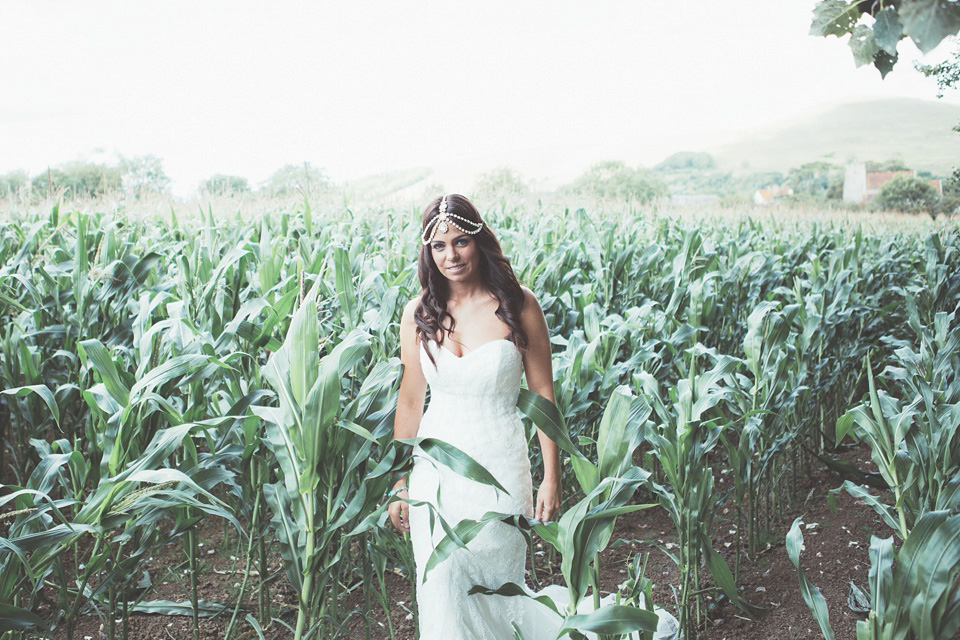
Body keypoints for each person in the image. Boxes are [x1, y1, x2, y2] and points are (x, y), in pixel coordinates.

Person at [387, 194, 678, 640]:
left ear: (479, 241)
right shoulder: (418, 313)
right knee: (440, 587)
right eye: (440, 246)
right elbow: (410, 400)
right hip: (435, 472)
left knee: (499, 591)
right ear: (428, 252)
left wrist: (551, 478)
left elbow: (544, 395)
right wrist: (399, 481)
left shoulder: (518, 304)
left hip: (500, 466)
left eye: (461, 241)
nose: (451, 255)